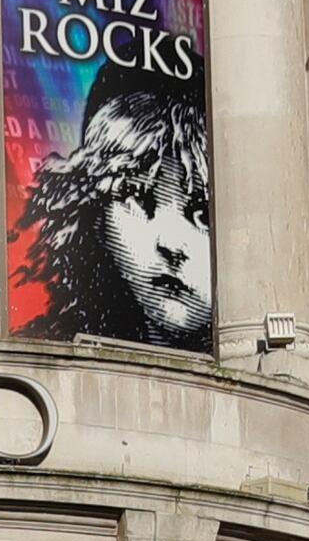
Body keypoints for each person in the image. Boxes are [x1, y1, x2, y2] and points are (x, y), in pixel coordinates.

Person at [13, 60, 216, 351]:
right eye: (137, 195)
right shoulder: (46, 343)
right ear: (94, 209)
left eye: (202, 215)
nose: (171, 245)